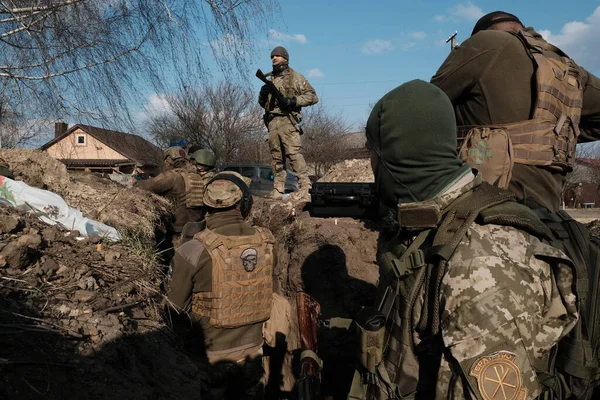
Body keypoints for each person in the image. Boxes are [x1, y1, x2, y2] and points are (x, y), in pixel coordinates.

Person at [349, 80, 578, 399]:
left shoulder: (481, 269)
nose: (371, 164)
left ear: (397, 156)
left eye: (372, 152)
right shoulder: (439, 223)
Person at [430, 11, 600, 213]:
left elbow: (427, 102)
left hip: (483, 208)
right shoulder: (567, 67)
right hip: (549, 213)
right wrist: (557, 135)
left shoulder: (485, 42)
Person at [167, 171, 275, 398]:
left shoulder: (192, 250)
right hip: (253, 353)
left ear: (207, 204)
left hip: (210, 360)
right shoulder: (267, 242)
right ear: (245, 202)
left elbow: (174, 310)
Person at [258, 46, 318, 199]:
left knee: (294, 154)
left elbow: (312, 96)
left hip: (288, 121)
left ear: (285, 58)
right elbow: (263, 104)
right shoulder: (271, 79)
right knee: (276, 158)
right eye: (272, 56)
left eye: (277, 56)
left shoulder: (295, 77)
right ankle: (278, 189)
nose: (274, 58)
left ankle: (305, 186)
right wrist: (262, 95)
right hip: (273, 122)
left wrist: (293, 101)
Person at [134, 146, 206, 247]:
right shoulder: (197, 177)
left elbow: (144, 187)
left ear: (168, 161)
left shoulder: (172, 176)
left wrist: (136, 182)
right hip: (196, 232)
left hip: (176, 236)